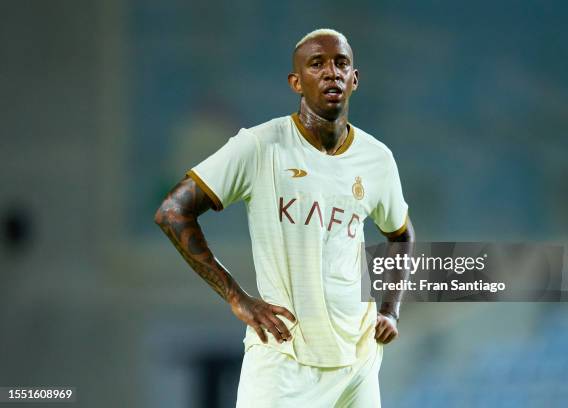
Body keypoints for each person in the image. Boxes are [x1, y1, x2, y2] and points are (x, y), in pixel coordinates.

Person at [154, 28, 414, 408]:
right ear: (296, 81)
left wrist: (390, 310)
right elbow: (173, 212)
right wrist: (235, 296)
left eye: (341, 64)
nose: (331, 72)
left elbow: (401, 236)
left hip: (356, 362)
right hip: (283, 359)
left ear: (354, 80)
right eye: (316, 64)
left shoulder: (377, 159)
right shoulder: (260, 146)